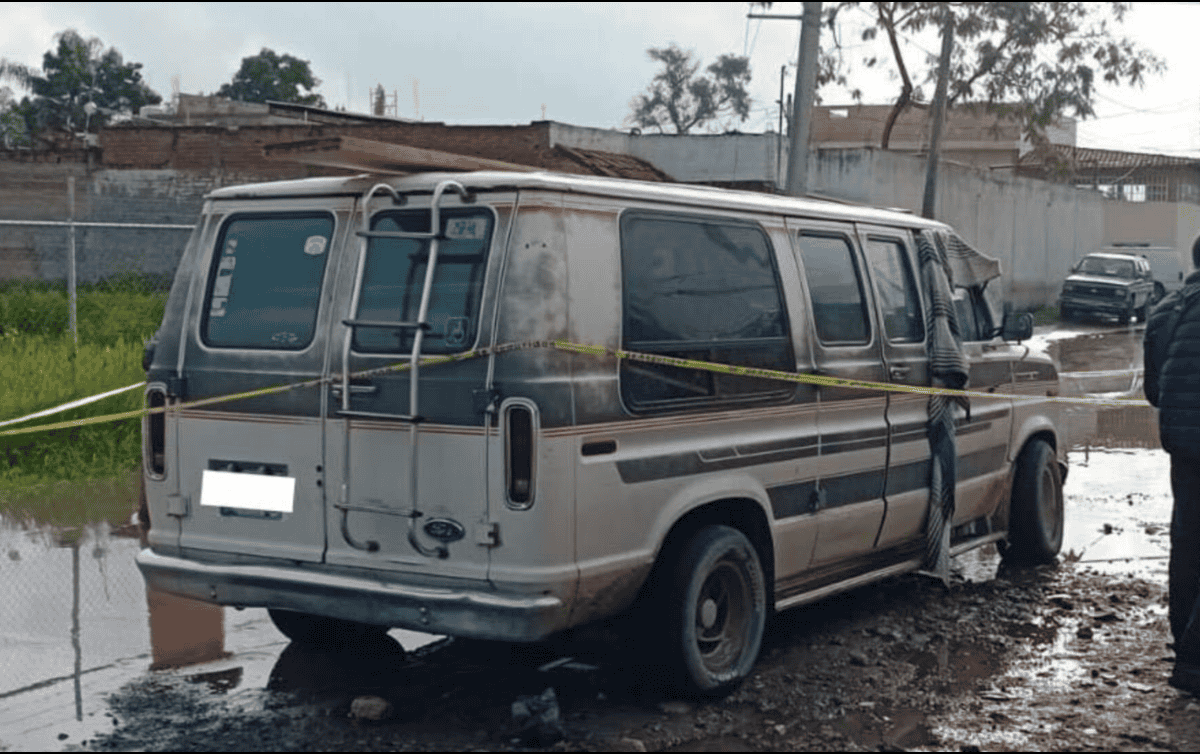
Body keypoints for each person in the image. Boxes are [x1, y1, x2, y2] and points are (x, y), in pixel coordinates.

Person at [1143, 236, 1200, 695]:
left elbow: (1154, 390)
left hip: (1183, 446)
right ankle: (1193, 665)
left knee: (1186, 545)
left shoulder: (1167, 309)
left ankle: (1184, 645)